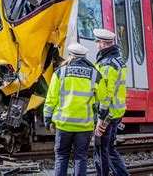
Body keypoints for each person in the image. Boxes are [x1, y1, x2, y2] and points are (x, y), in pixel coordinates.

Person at [43, 42, 109, 176]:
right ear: (84, 56)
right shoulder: (94, 74)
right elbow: (103, 98)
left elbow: (51, 99)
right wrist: (98, 112)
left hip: (63, 124)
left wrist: (47, 119)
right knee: (81, 158)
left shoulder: (60, 72)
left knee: (61, 157)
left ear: (70, 56)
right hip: (83, 126)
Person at [93, 29, 130, 176]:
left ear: (102, 43)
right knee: (109, 148)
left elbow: (107, 95)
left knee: (100, 148)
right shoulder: (117, 60)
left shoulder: (108, 64)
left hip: (108, 113)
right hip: (116, 111)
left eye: (97, 42)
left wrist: (101, 119)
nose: (96, 44)